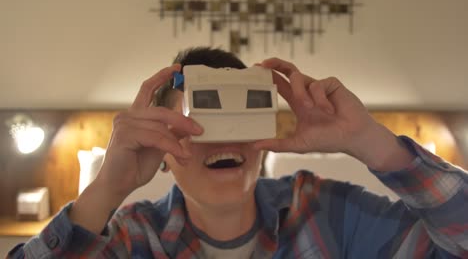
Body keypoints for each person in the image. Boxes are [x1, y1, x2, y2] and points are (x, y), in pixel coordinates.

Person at [8, 47, 468, 258]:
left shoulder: (331, 212)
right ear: (161, 150)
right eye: (197, 120)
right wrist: (105, 189)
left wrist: (369, 140)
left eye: (243, 115)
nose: (223, 139)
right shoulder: (133, 238)